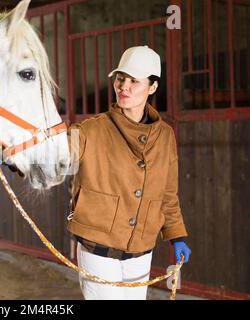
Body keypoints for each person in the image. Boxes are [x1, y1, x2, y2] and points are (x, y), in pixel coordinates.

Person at [66, 45, 191, 300]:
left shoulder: (165, 136)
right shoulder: (91, 130)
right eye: (120, 79)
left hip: (141, 251)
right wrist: (10, 153)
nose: (124, 86)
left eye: (134, 81)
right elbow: (54, 153)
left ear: (153, 87)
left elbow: (168, 192)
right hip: (97, 249)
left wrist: (176, 235)